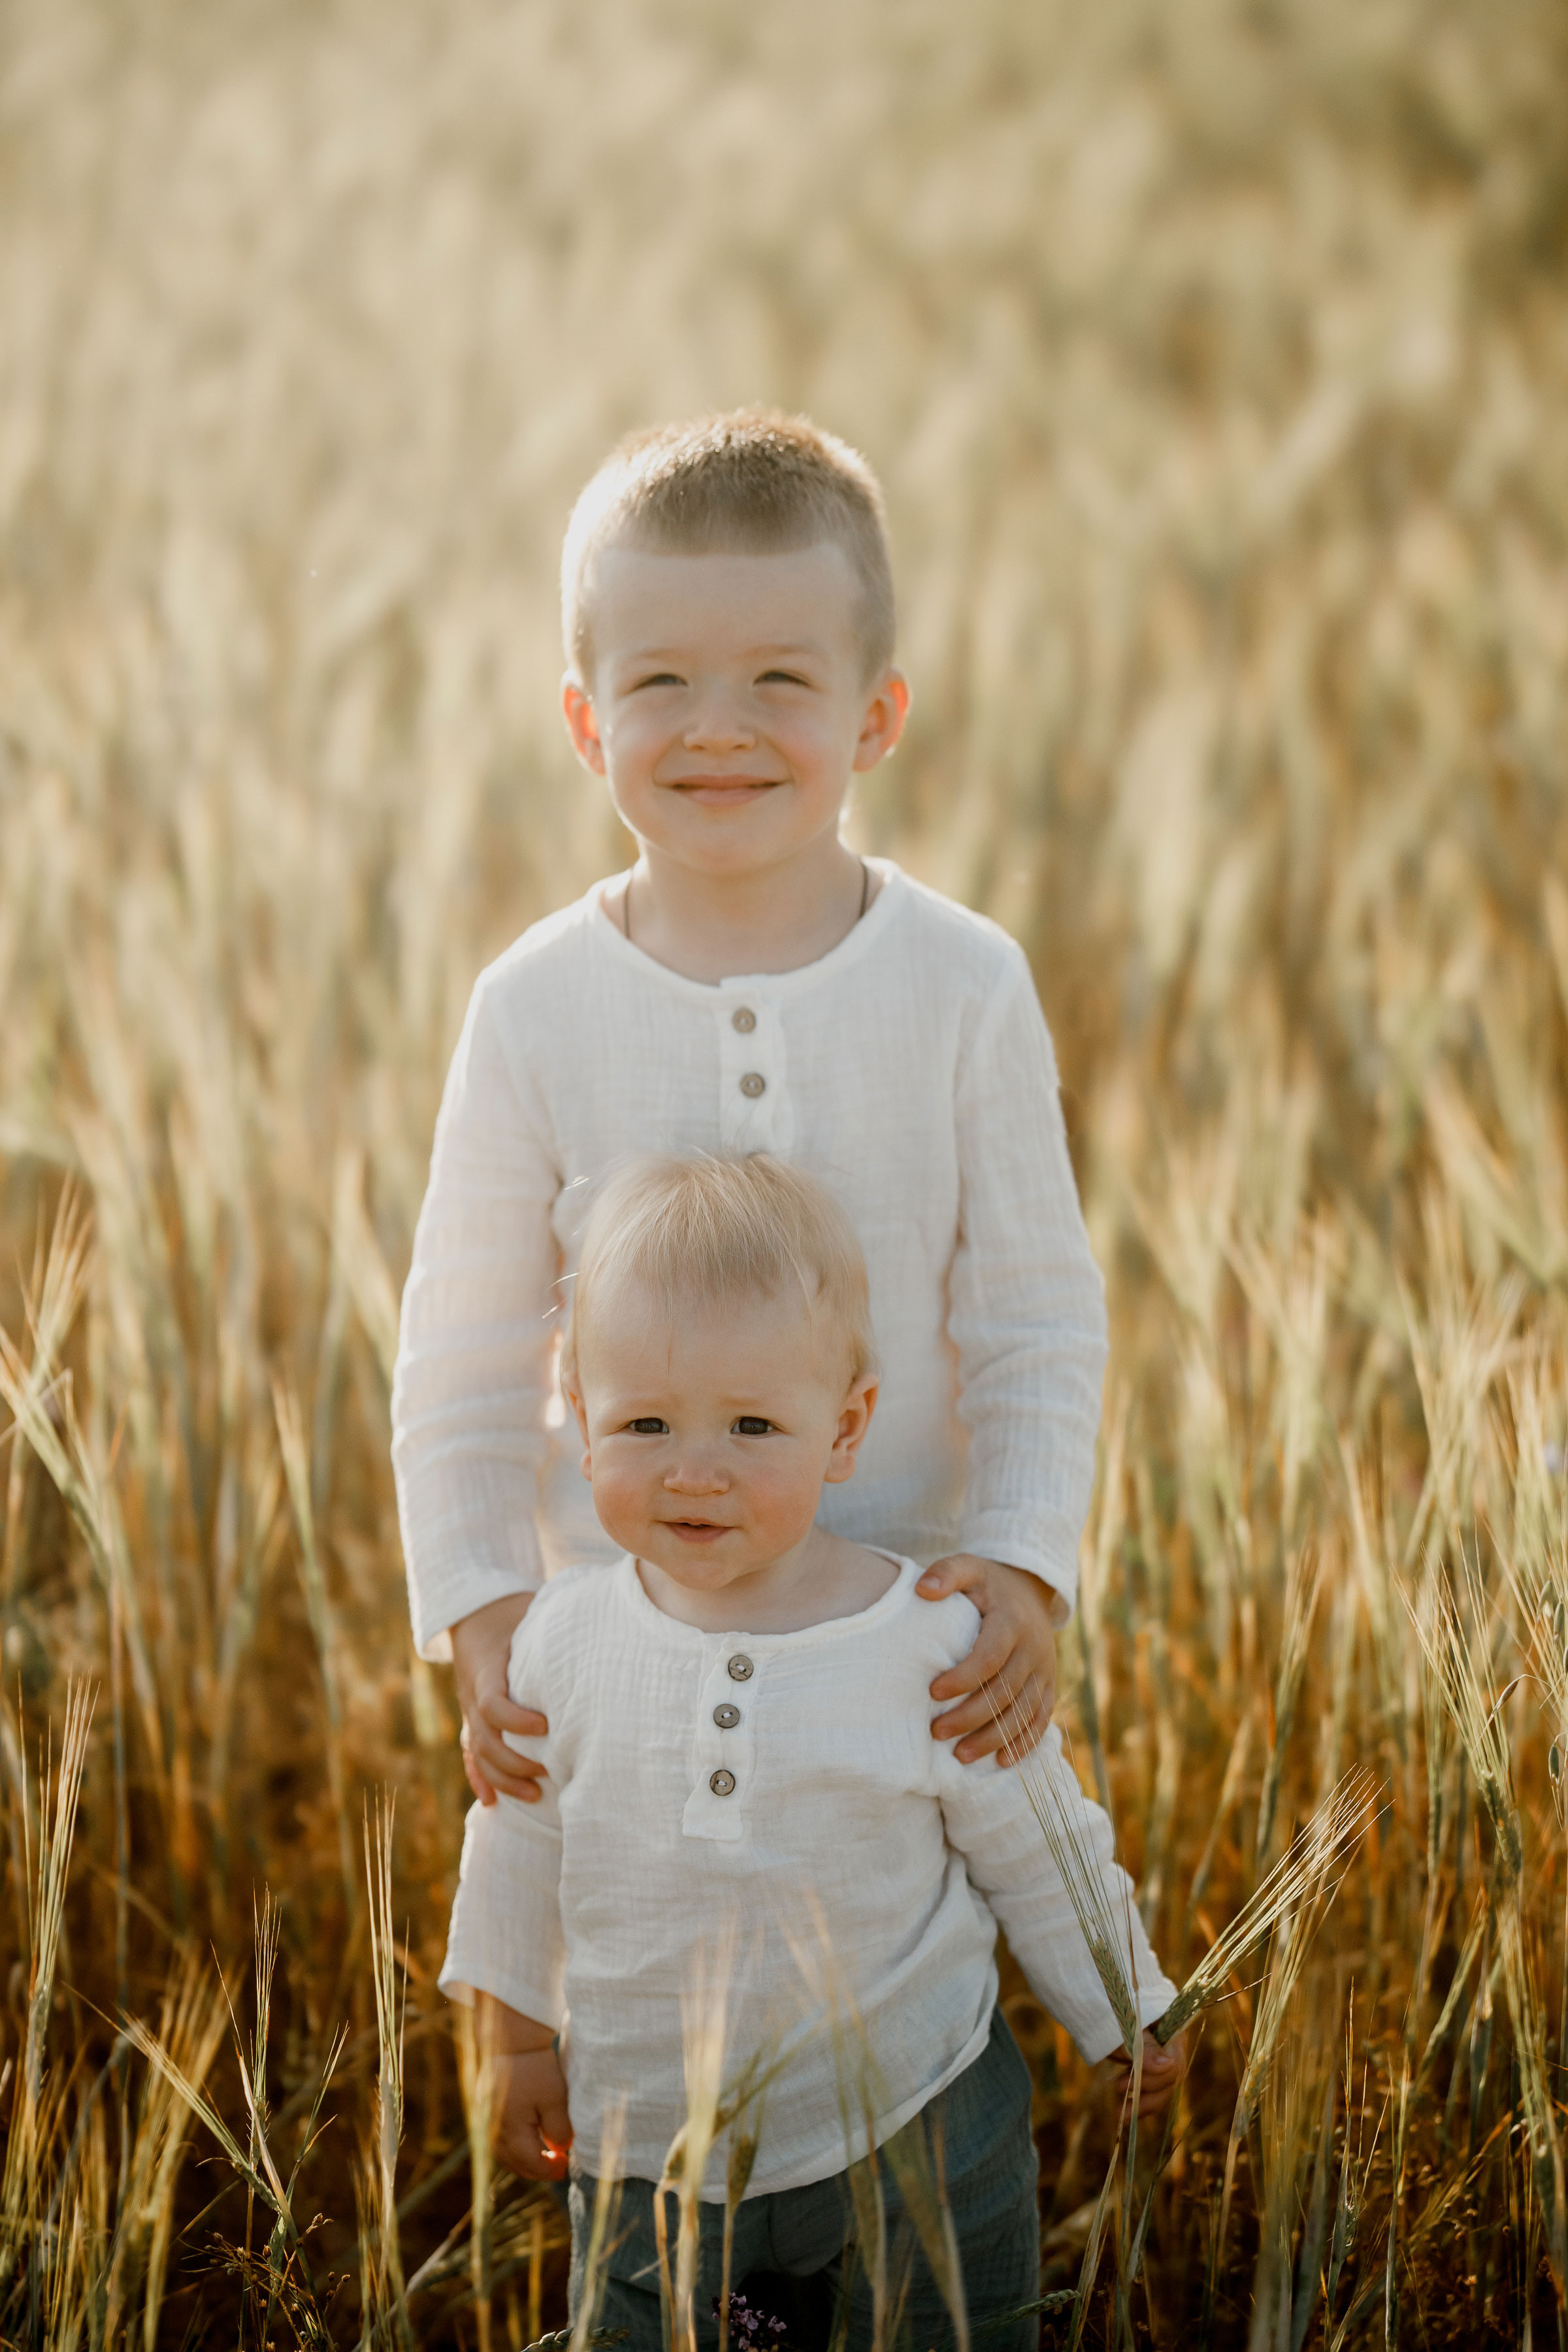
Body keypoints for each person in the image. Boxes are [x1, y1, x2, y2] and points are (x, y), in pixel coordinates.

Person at [392, 408, 1109, 1811]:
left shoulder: (965, 986)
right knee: (615, 1998)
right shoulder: (532, 1005)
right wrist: (484, 1608)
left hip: (915, 1646)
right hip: (621, 1648)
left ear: (876, 716)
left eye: (782, 677)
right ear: (586, 723)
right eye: (661, 679)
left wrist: (1023, 1566)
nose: (719, 726)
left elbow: (1035, 1316)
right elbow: (464, 1350)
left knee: (909, 1993)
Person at [440, 1155, 1184, 2351]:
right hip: (646, 2134)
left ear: (843, 1431)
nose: (695, 1467)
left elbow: (1035, 1838)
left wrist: (1120, 1996)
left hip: (915, 2118)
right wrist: (518, 2036)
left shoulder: (926, 1639)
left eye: (751, 1424)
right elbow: (516, 1841)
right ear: (579, 1420)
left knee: (956, 2324)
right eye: (645, 1423)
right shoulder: (558, 1644)